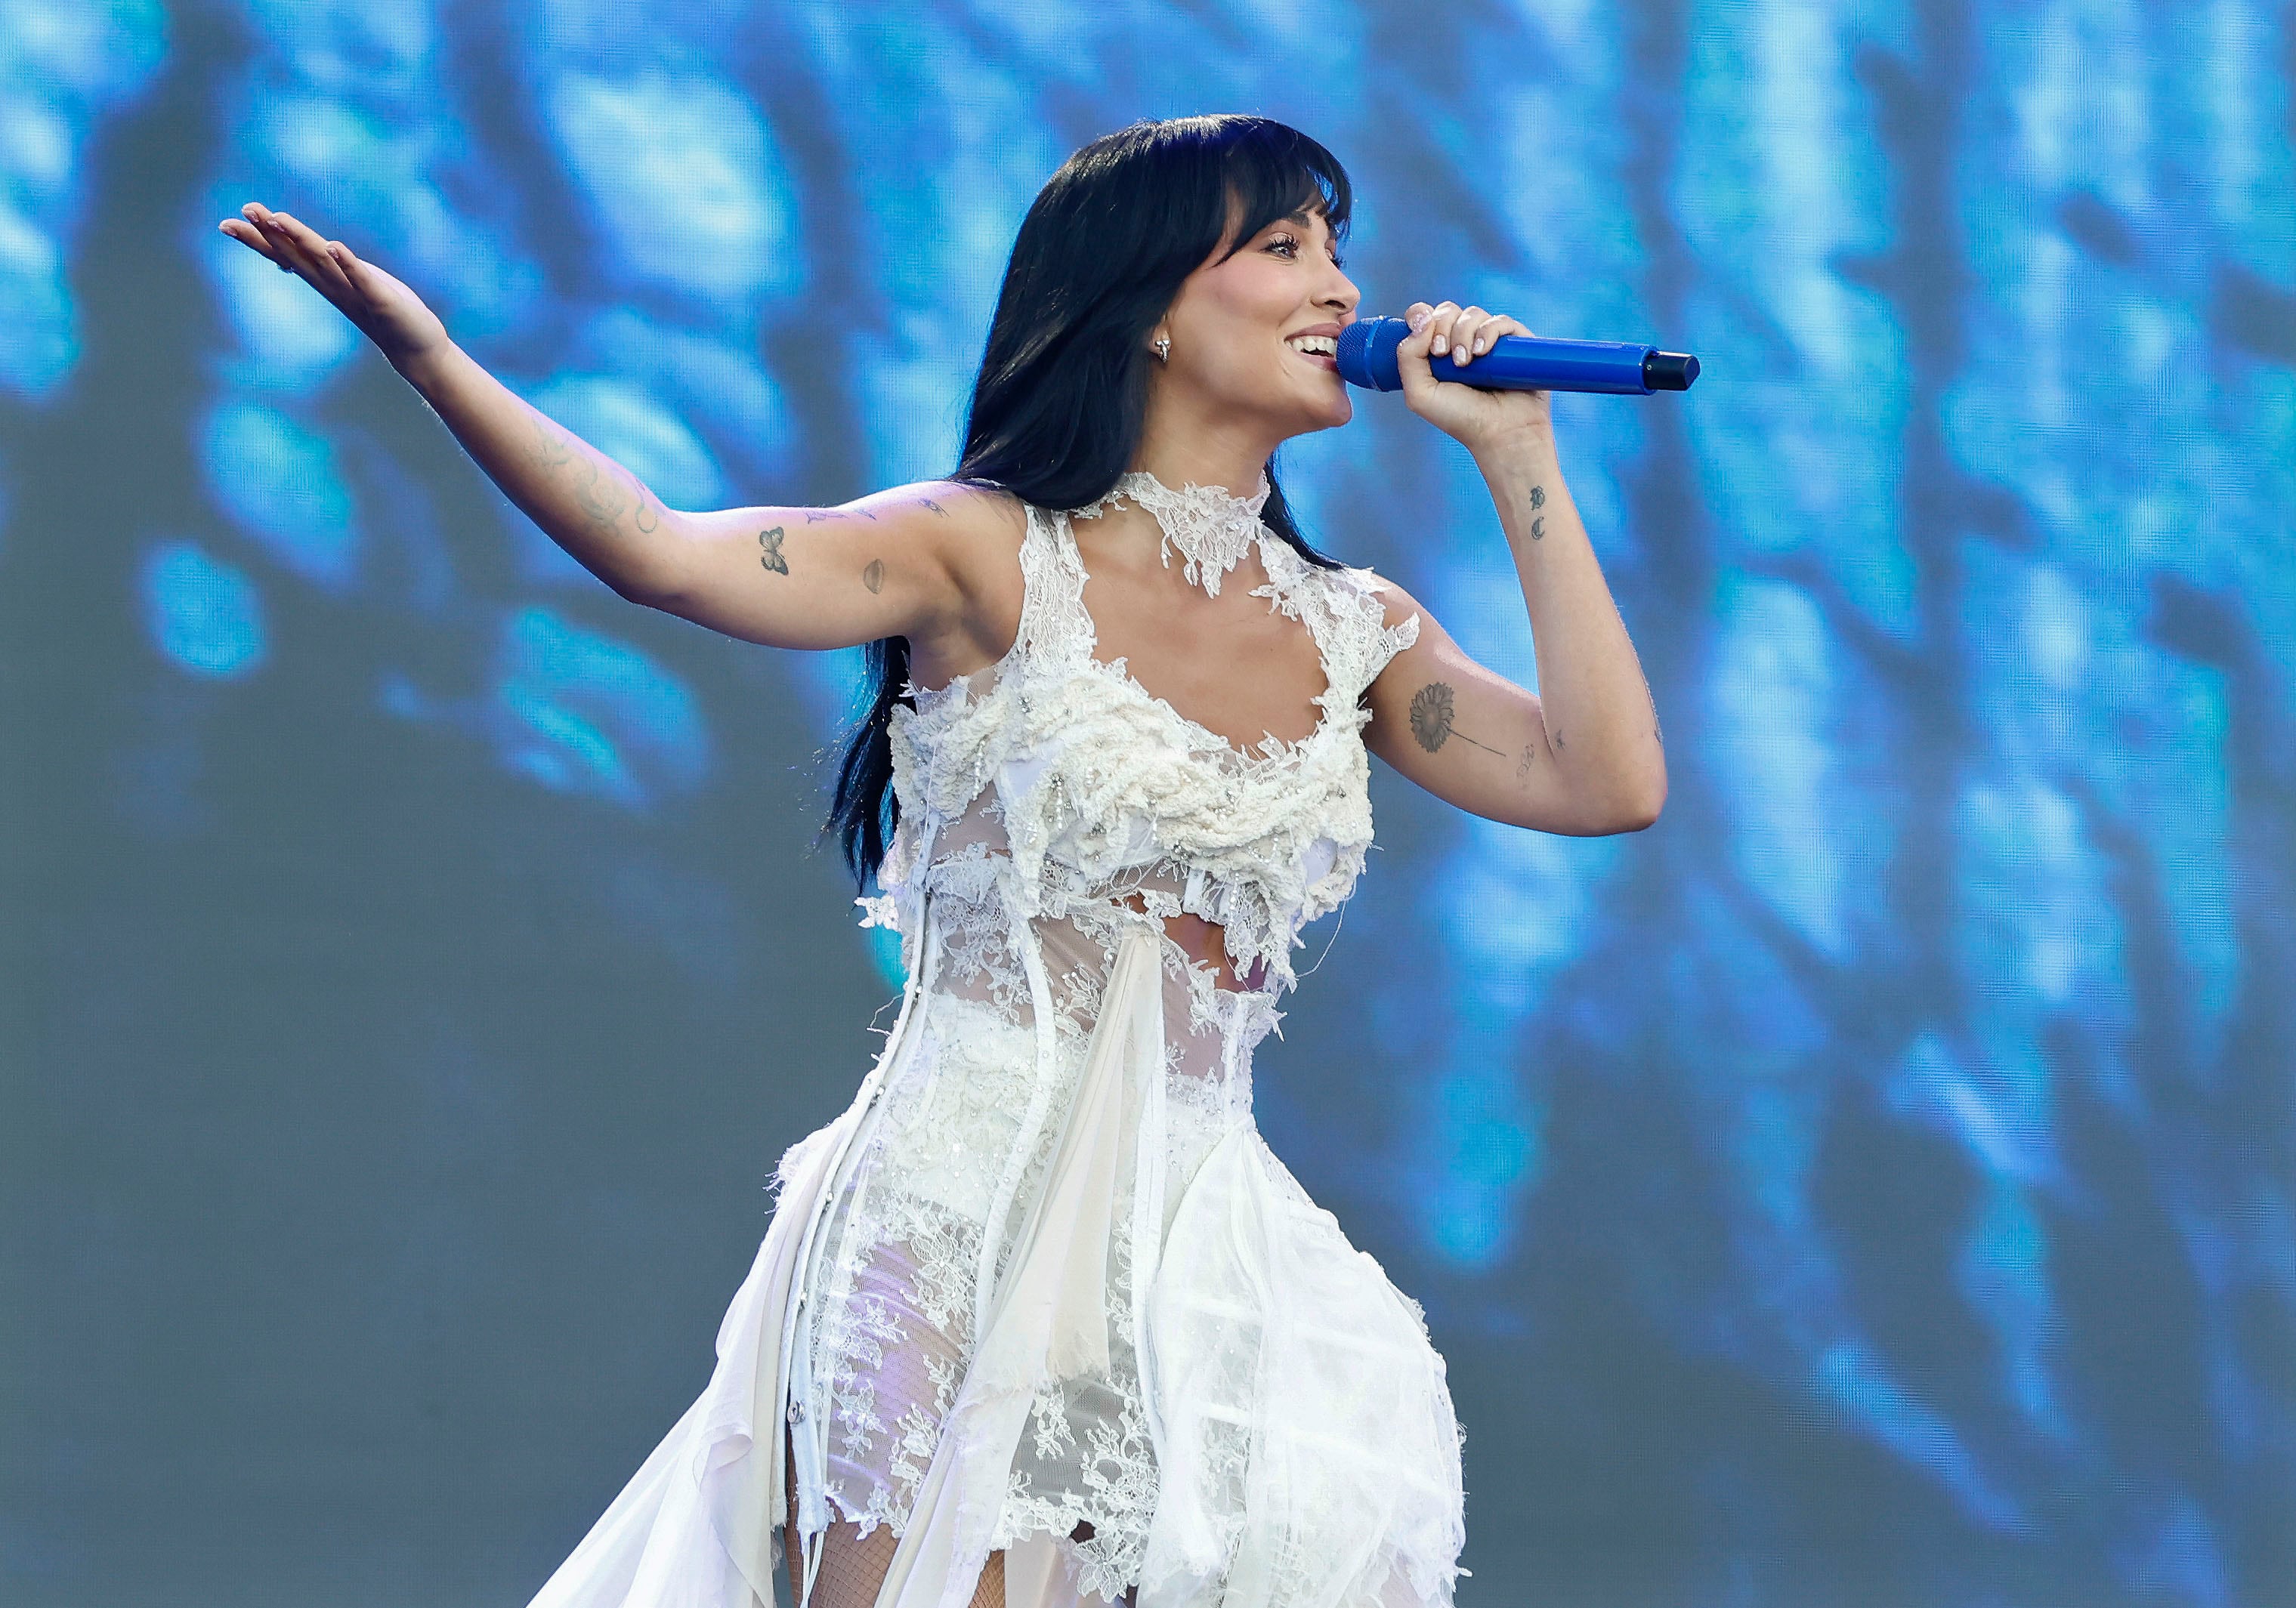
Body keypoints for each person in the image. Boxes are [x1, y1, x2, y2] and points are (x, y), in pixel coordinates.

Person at [221, 113, 1665, 1608]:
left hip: (1206, 1250)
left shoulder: (1353, 632)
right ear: (1151, 304)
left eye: (1336, 252)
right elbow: (663, 551)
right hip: (955, 1216)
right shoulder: (976, 550)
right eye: (1283, 248)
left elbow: (1603, 780)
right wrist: (435, 361)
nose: (1338, 293)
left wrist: (1516, 455)